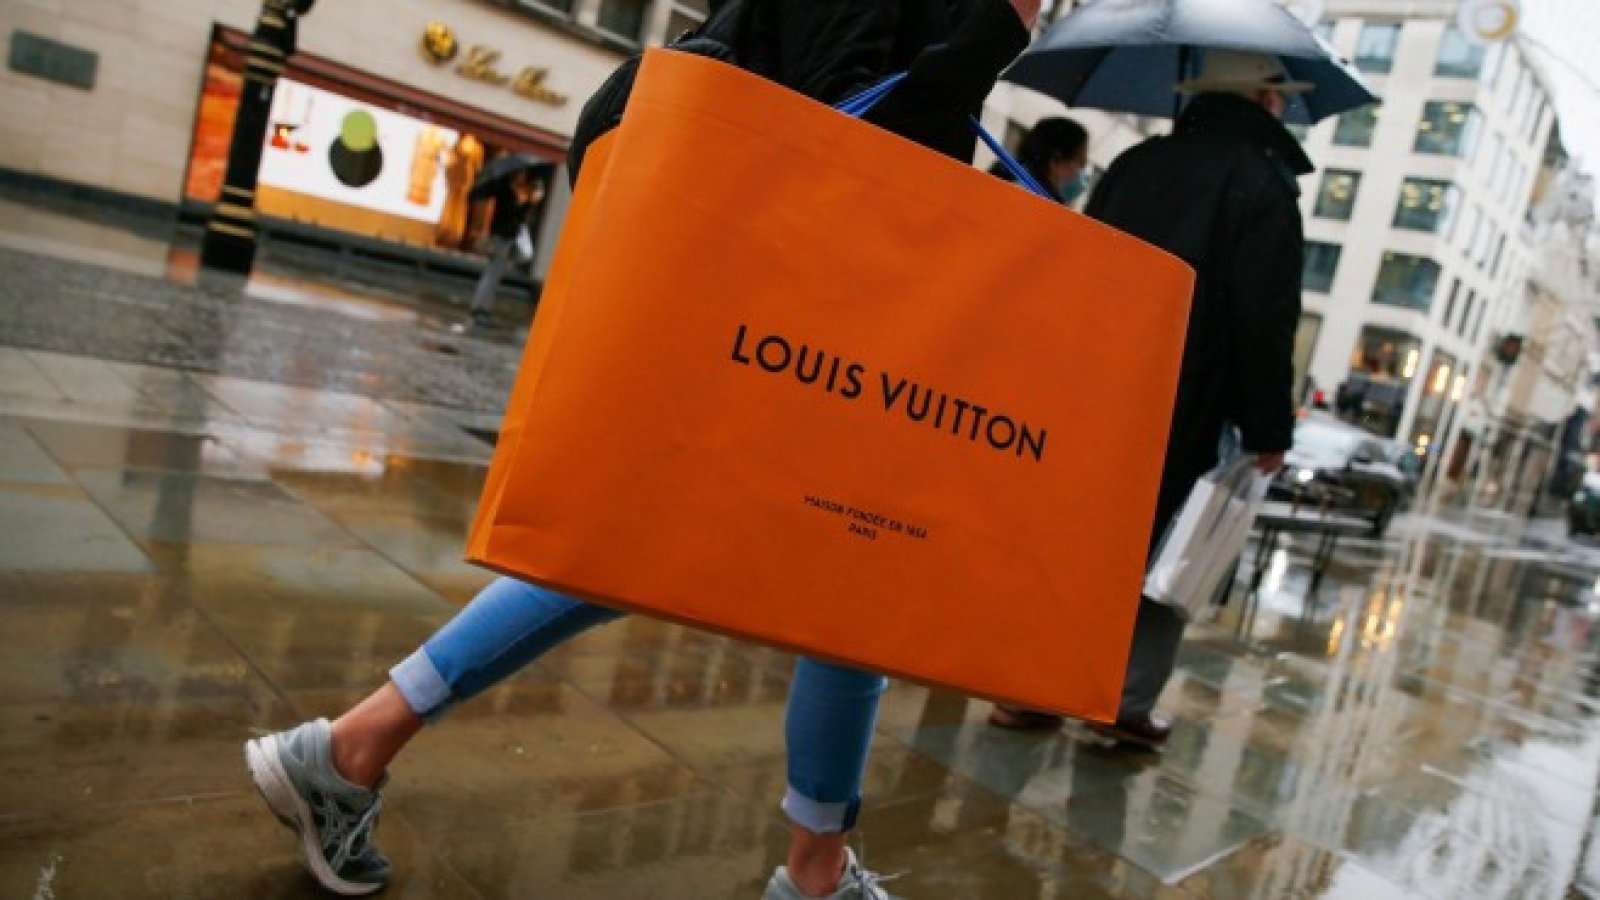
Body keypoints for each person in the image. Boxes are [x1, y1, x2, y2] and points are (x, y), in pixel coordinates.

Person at [243, 1, 1039, 898]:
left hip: (815, 313)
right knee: (827, 568)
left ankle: (351, 749)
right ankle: (815, 872)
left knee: (781, 564)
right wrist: (997, 31)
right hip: (791, 305)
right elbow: (842, 133)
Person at [990, 50, 1311, 743]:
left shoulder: (1135, 164)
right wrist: (1268, 427)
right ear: (1262, 99)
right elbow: (1263, 317)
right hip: (1192, 399)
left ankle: (1029, 688)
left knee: (1081, 539)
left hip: (1101, 388)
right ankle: (1124, 705)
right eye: (1279, 95)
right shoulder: (1263, 184)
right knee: (1172, 549)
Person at [468, 166, 545, 328]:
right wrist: (529, 203)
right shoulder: (506, 191)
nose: (523, 177)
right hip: (501, 237)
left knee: (493, 275)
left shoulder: (511, 191)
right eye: (521, 174)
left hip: (505, 237)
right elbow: (513, 214)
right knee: (492, 275)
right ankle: (480, 308)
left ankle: (482, 307)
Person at [987, 116, 1089, 204]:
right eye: (1081, 162)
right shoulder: (1033, 197)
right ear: (1056, 160)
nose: (1081, 171)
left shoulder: (1005, 172)